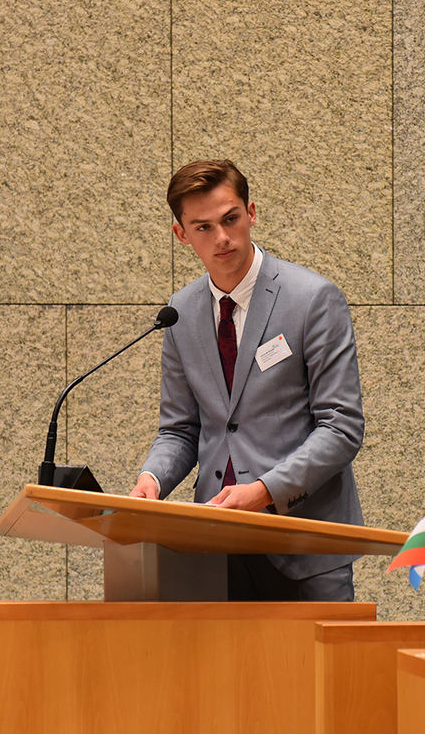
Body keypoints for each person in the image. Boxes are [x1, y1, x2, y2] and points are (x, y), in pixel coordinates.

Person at [130, 159, 365, 601]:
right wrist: (152, 481)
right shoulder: (180, 313)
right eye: (202, 227)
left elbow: (342, 427)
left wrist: (263, 492)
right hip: (215, 548)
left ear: (251, 212)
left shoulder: (312, 299)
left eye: (231, 219)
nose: (221, 237)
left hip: (305, 548)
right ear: (181, 234)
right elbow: (180, 429)